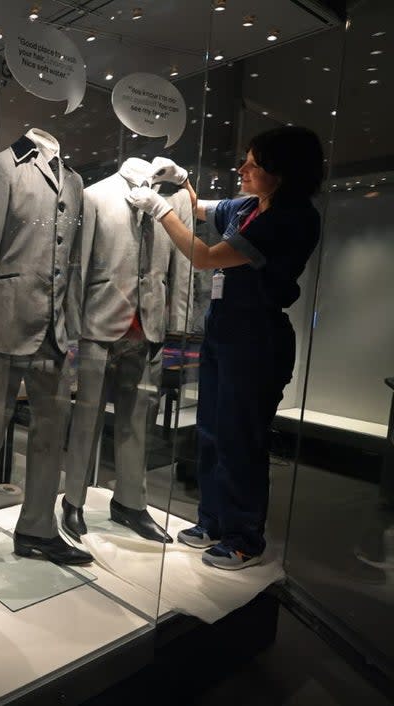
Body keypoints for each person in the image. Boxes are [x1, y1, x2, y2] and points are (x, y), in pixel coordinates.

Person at [126, 126, 324, 570]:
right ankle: (213, 520)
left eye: (254, 163)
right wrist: (180, 184)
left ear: (282, 171)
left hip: (256, 337)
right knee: (213, 429)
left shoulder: (290, 219)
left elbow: (206, 256)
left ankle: (244, 537)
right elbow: (196, 210)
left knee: (241, 438)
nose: (243, 169)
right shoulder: (253, 205)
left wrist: (160, 210)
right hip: (224, 329)